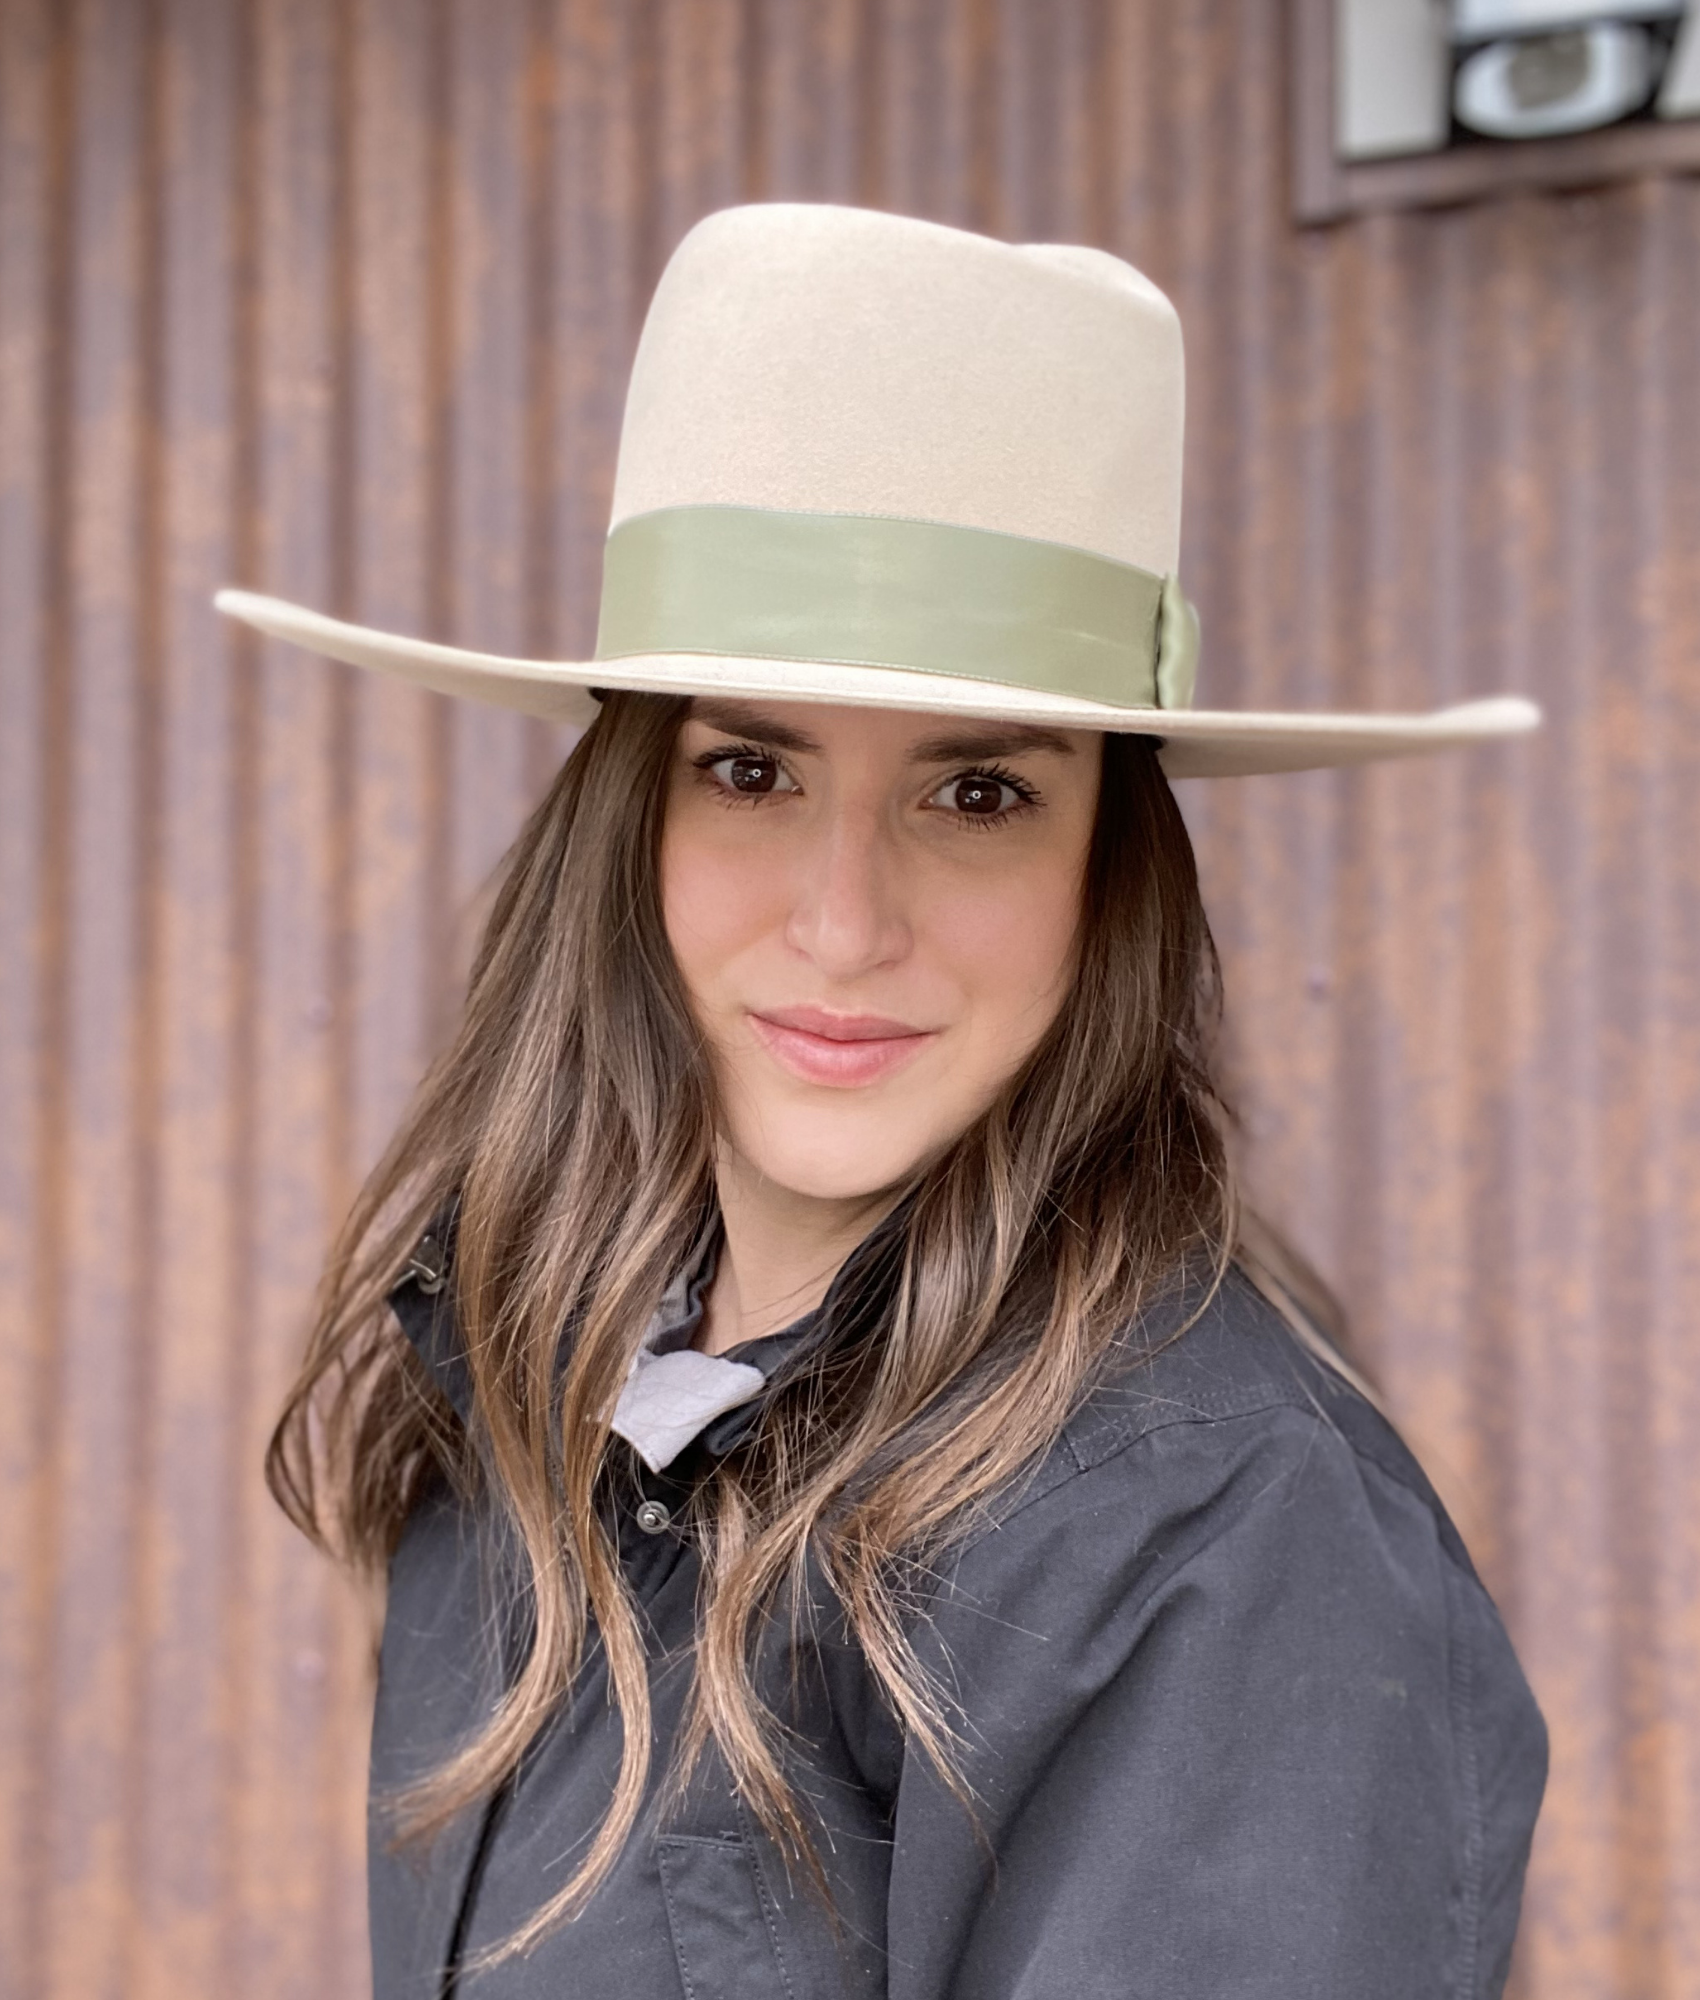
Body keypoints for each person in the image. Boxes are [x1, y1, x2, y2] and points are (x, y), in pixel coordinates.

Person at [217, 203, 1547, 1999]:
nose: (844, 924)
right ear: (632, 825)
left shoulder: (1222, 1542)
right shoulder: (520, 1397)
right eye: (750, 767)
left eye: (978, 793)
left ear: (1108, 868)